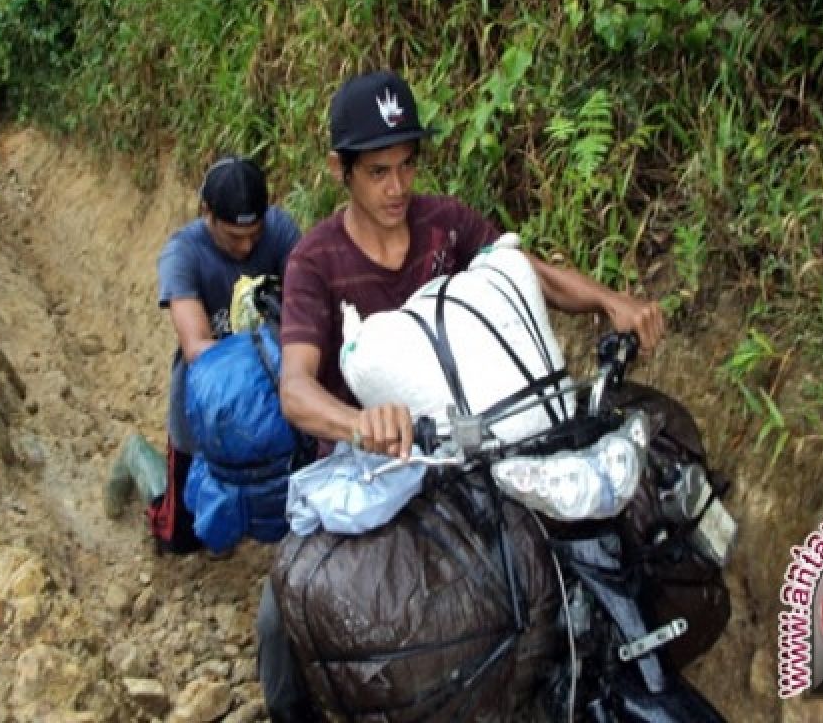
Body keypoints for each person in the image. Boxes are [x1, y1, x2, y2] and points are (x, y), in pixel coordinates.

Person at [256, 69, 666, 721]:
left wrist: (608, 302)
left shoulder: (446, 224)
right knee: (285, 615)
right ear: (341, 169)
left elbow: (527, 272)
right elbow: (297, 390)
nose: (398, 188)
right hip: (377, 464)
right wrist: (361, 423)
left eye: (407, 166)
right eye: (378, 172)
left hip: (480, 444)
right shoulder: (316, 262)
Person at [151, 156, 301, 554]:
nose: (248, 245)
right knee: (182, 537)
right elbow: (198, 347)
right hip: (205, 413)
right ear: (207, 214)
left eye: (255, 233)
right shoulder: (182, 254)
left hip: (269, 408)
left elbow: (308, 302)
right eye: (235, 236)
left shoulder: (281, 230)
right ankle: (137, 464)